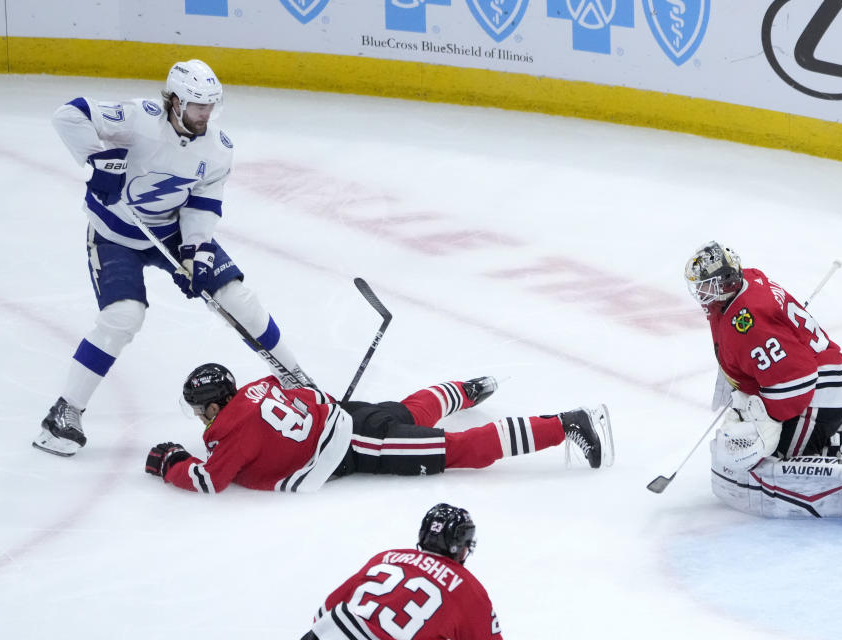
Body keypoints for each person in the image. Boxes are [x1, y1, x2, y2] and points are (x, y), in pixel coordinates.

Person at [34, 59, 312, 456]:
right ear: (176, 102)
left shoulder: (218, 148)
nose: (206, 113)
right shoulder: (138, 119)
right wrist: (96, 160)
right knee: (122, 317)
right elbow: (70, 114)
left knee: (235, 297)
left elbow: (202, 204)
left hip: (172, 232)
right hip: (114, 235)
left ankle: (295, 379)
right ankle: (65, 411)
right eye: (199, 105)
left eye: (211, 105)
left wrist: (196, 251)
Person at [684, 241, 842, 527]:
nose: (700, 292)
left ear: (724, 281)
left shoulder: (748, 322)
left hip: (818, 395)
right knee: (756, 443)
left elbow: (798, 378)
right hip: (816, 385)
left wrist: (768, 420)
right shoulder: (746, 283)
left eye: (706, 285)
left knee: (769, 461)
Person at [143, 363, 614, 493]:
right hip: (349, 415)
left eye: (201, 410)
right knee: (411, 412)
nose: (202, 420)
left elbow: (210, 479)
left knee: (457, 450)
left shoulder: (234, 431)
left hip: (356, 448)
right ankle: (469, 389)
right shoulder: (262, 387)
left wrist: (171, 463)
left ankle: (567, 424)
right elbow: (308, 394)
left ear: (216, 404)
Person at [302, 503, 502, 640]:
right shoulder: (466, 587)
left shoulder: (386, 557)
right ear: (459, 547)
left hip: (329, 631)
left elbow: (325, 610)